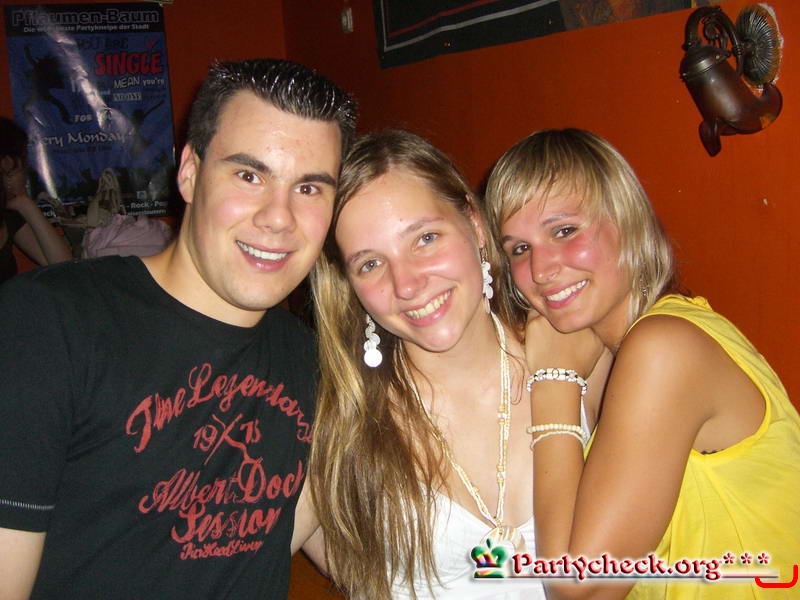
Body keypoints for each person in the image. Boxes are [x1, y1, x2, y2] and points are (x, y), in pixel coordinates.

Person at [0, 58, 356, 599]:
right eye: (249, 175)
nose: (278, 217)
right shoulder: (49, 324)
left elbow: (364, 556)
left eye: (309, 188)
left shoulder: (313, 362)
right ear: (189, 172)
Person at [484, 128, 800, 599]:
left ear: (627, 220)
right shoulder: (611, 351)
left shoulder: (664, 348)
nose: (541, 270)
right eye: (519, 249)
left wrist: (552, 380)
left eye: (564, 231)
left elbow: (579, 586)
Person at [304, 129, 608, 599]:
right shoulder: (344, 420)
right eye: (370, 264)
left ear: (475, 223)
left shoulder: (583, 354)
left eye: (425, 238)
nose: (407, 284)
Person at [0, 116, 72, 283]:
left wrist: (26, 205)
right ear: (8, 164)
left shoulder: (10, 215)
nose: (27, 170)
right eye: (23, 160)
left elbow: (64, 266)